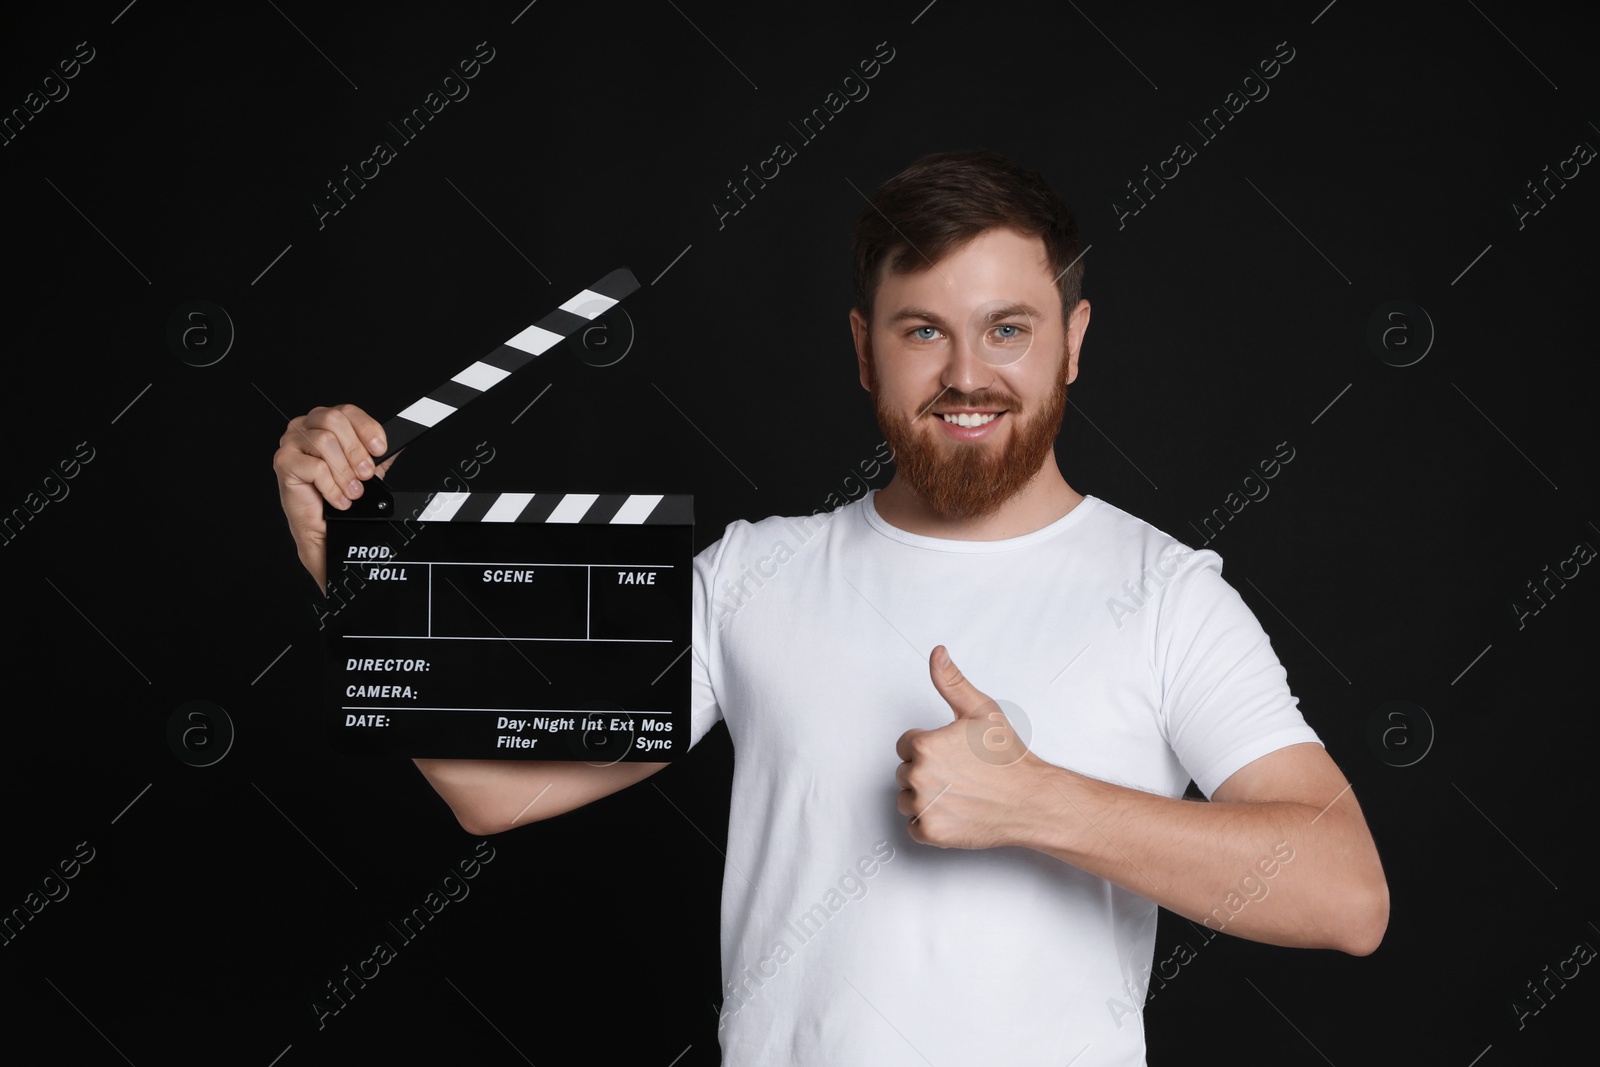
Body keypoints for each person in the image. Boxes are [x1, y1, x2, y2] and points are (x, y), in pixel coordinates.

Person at [273, 149, 1388, 1065]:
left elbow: (1344, 893)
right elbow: (491, 792)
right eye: (922, 330)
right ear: (863, 349)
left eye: (1007, 328)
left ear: (1073, 342)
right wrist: (345, 558)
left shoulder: (1166, 594)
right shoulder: (756, 573)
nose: (966, 374)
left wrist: (1036, 803)